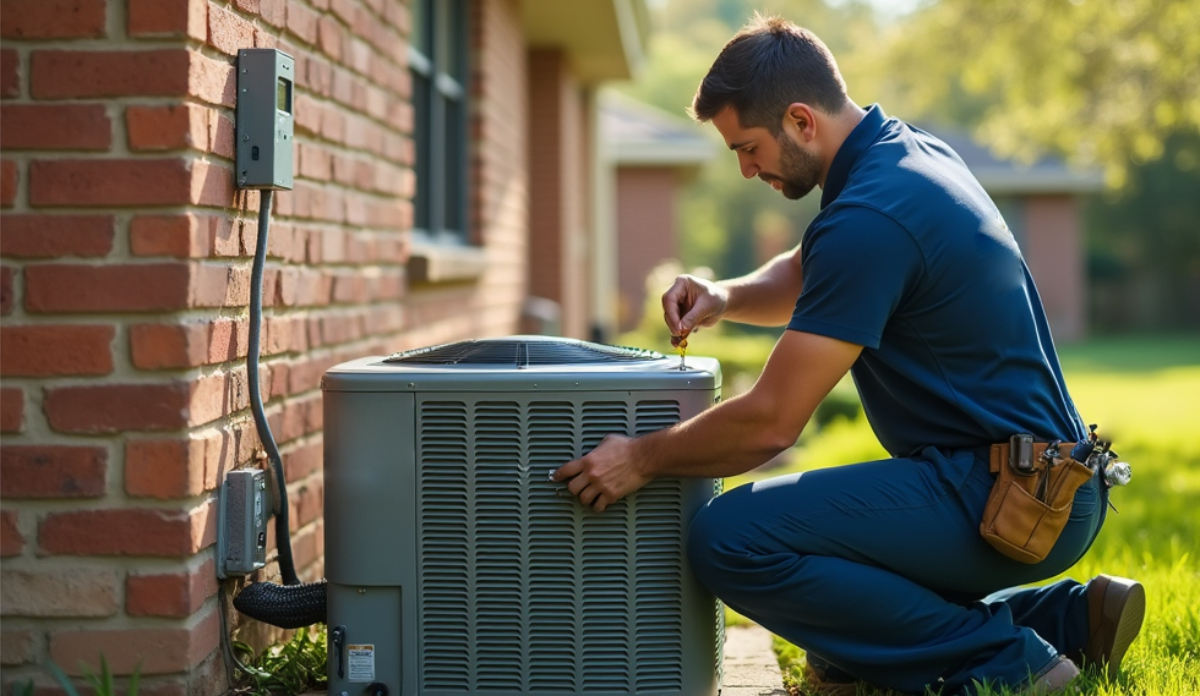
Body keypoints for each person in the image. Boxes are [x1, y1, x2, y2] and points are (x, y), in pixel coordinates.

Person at [551, 13, 1145, 696]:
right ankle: (1070, 620)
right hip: (1042, 483)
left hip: (1004, 501)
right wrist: (725, 295)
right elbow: (810, 272)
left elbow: (772, 423)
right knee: (837, 612)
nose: (745, 170)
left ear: (801, 121)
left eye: (748, 148)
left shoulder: (872, 218)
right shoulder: (903, 157)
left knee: (731, 537)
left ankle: (1006, 662)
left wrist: (639, 457)